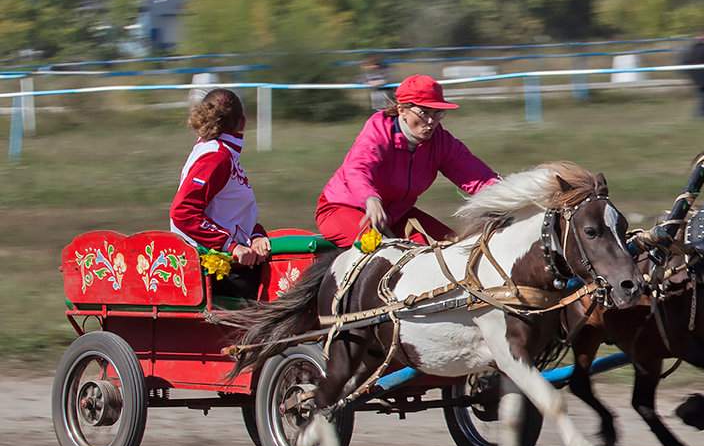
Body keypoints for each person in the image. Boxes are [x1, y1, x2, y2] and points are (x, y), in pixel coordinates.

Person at [316, 74, 501, 248]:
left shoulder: (442, 142)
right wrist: (370, 199)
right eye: (424, 112)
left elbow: (481, 180)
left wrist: (514, 197)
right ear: (402, 111)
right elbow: (357, 170)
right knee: (375, 252)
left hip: (396, 215)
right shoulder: (379, 131)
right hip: (343, 208)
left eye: (438, 113)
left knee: (452, 248)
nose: (431, 121)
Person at [170, 88, 271, 297]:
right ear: (243, 122)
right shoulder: (216, 158)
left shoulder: (220, 153)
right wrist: (232, 246)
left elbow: (230, 212)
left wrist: (256, 235)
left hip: (230, 262)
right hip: (218, 270)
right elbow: (183, 212)